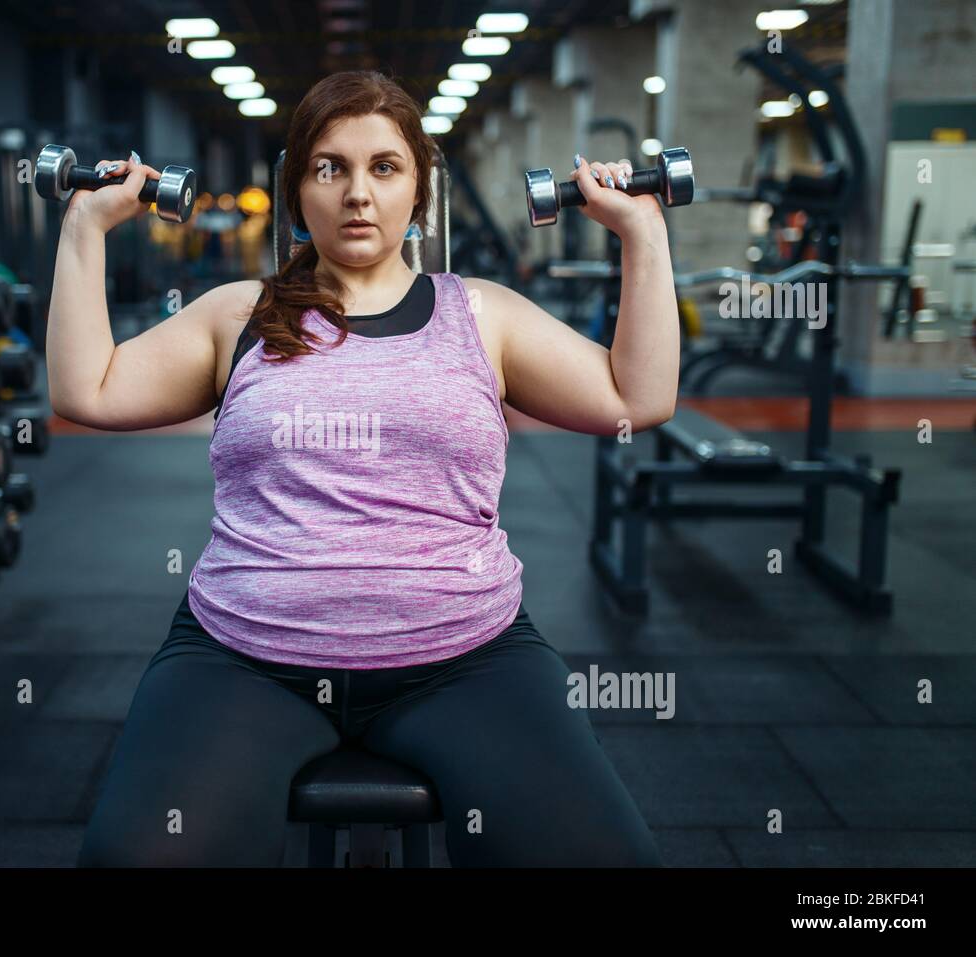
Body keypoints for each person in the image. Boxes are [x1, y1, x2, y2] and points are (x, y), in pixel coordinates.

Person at [48, 70, 678, 867]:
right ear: (296, 191)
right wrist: (85, 230)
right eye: (329, 167)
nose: (357, 192)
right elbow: (86, 389)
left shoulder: (480, 315)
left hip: (464, 658)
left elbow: (639, 395)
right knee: (136, 860)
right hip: (245, 659)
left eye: (383, 167)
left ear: (419, 190)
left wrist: (642, 235)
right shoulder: (237, 315)